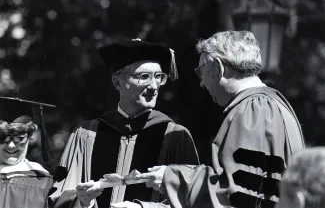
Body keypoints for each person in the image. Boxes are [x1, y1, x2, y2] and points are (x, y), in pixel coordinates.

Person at [135, 30, 305, 208]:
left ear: (217, 68)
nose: (201, 83)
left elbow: (238, 192)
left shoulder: (253, 108)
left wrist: (172, 178)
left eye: (201, 71)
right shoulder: (276, 104)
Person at [50, 39, 199, 208]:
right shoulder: (87, 133)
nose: (154, 86)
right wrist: (85, 202)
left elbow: (192, 200)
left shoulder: (174, 136)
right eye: (144, 77)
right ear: (117, 82)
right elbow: (60, 197)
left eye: (159, 77)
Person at [0, 96, 55, 208]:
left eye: (19, 138)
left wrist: (85, 202)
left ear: (29, 137)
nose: (11, 145)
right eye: (2, 137)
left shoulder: (44, 182)